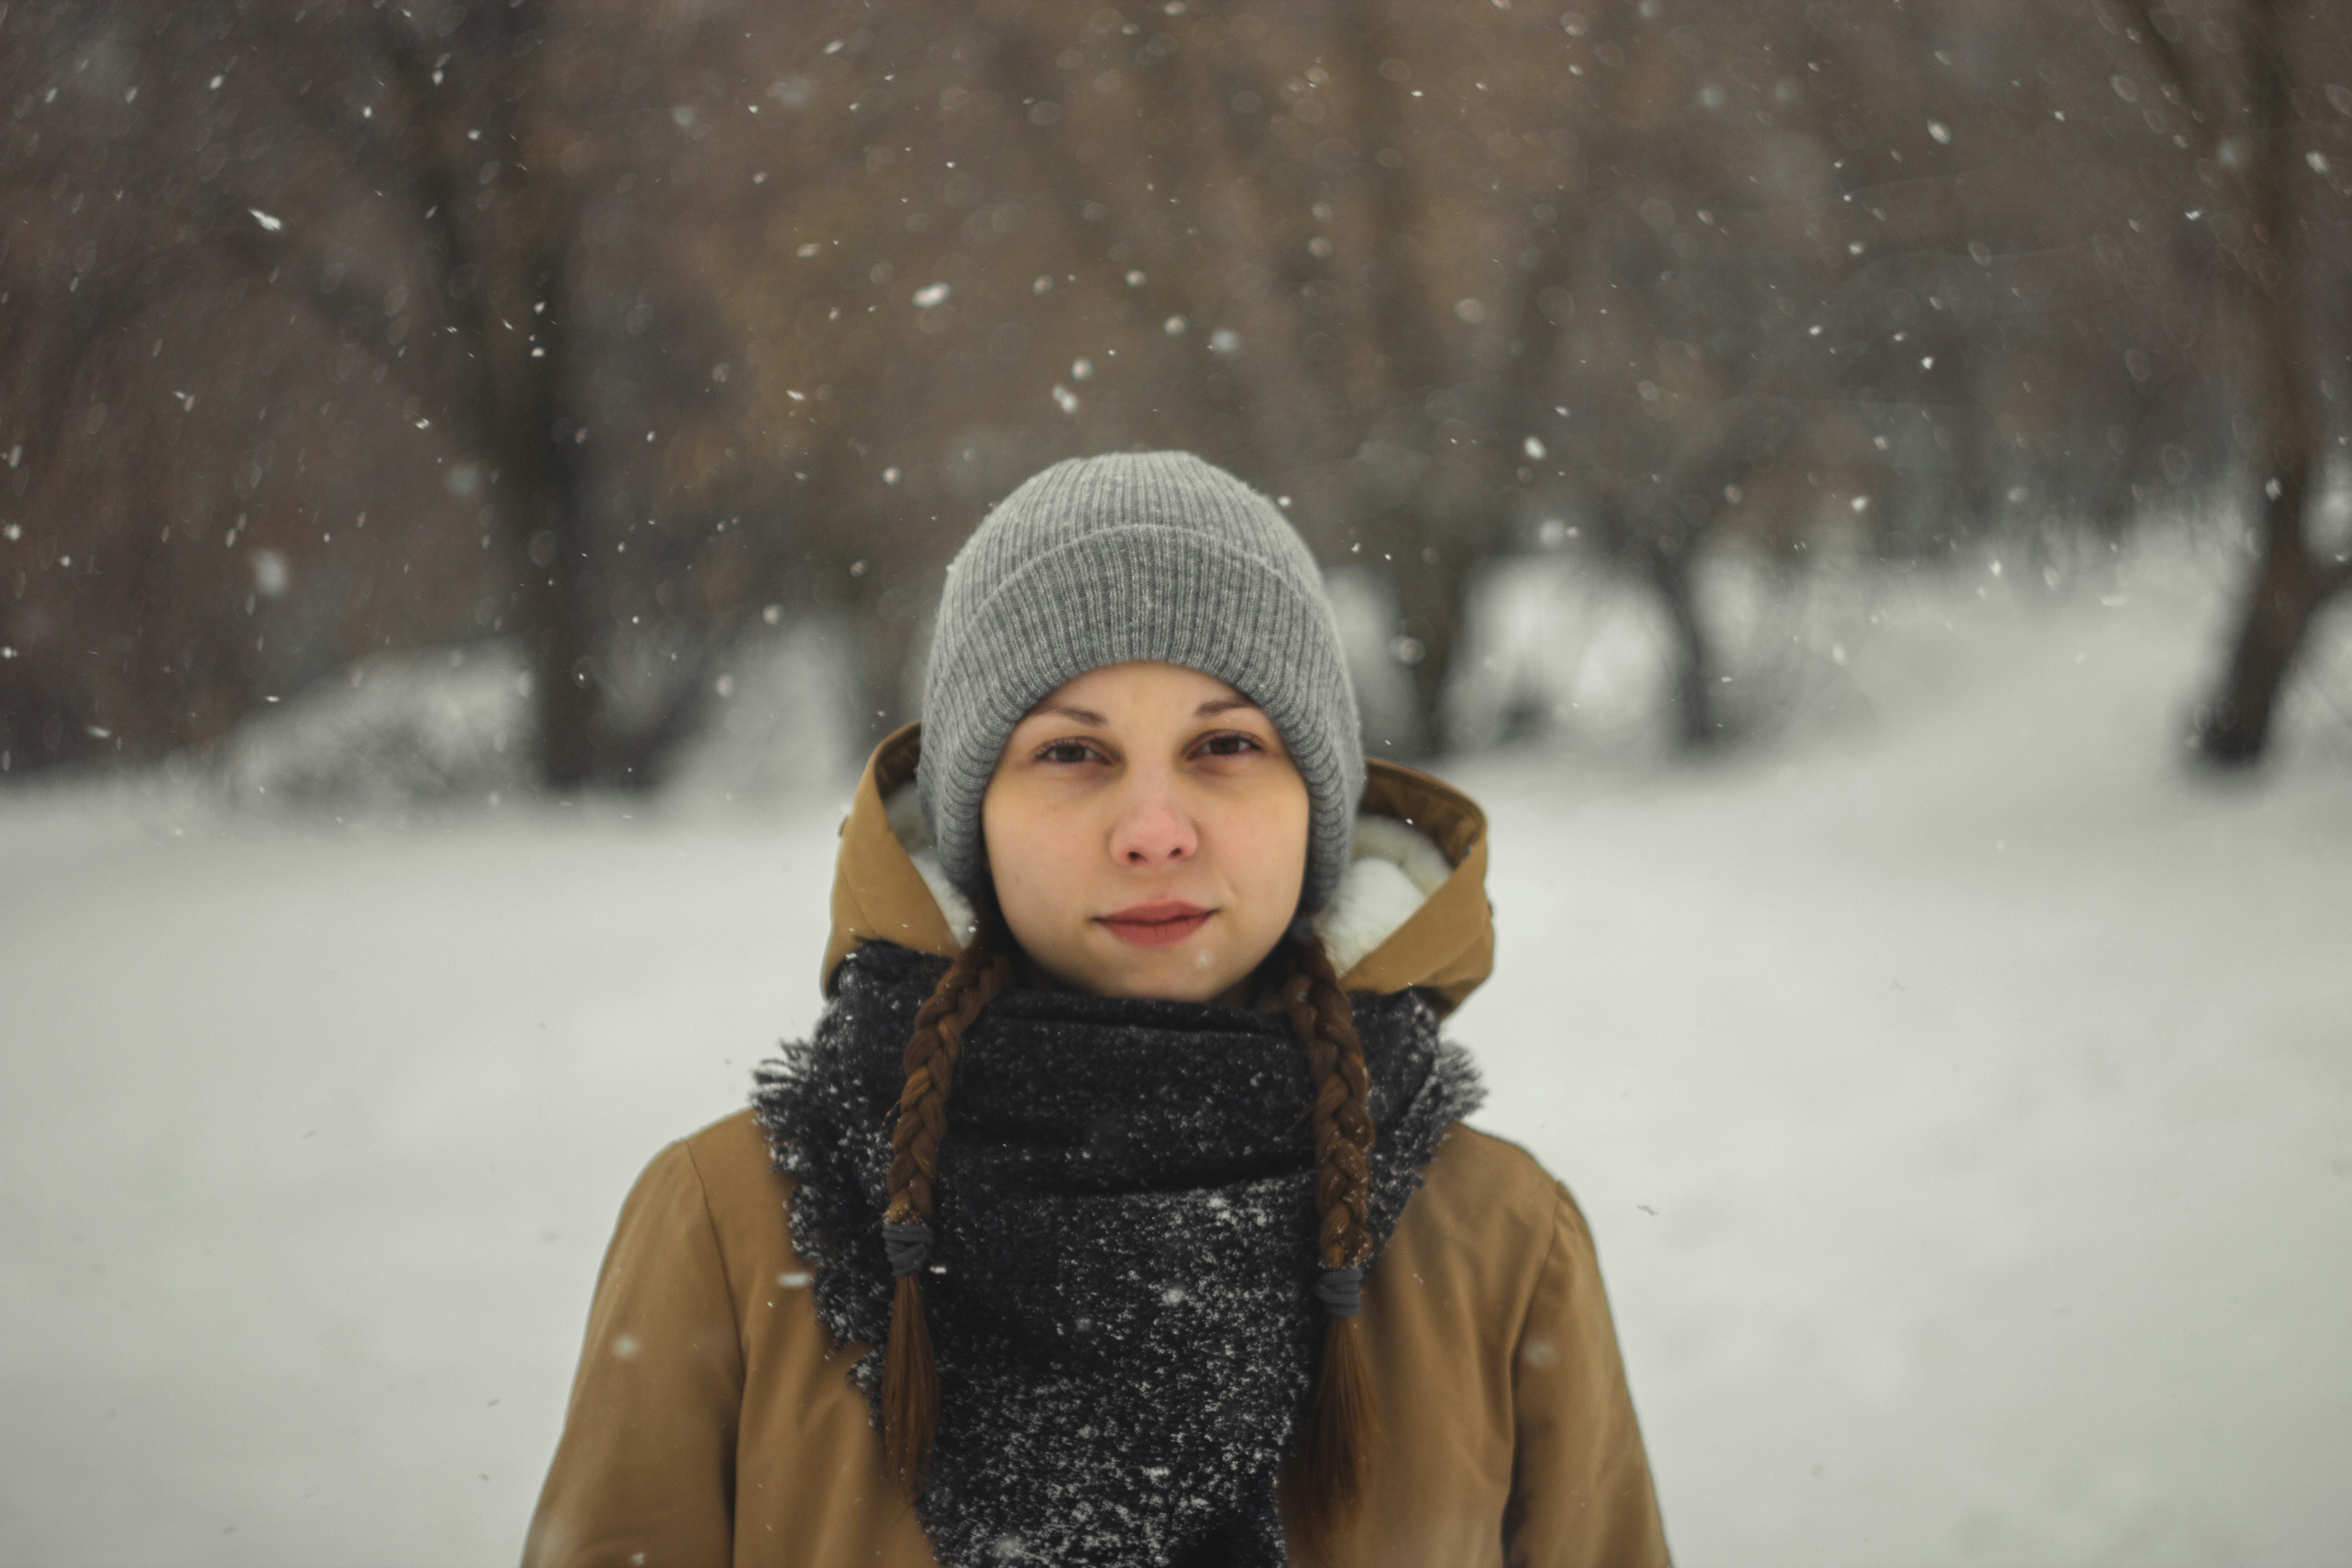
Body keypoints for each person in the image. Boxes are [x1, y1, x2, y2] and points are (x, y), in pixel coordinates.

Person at [522, 451, 1670, 1567]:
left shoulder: (1505, 1246)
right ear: (975, 824)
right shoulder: (733, 1231)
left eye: (1226, 745)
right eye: (1073, 752)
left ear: (1317, 809)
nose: (1154, 828)